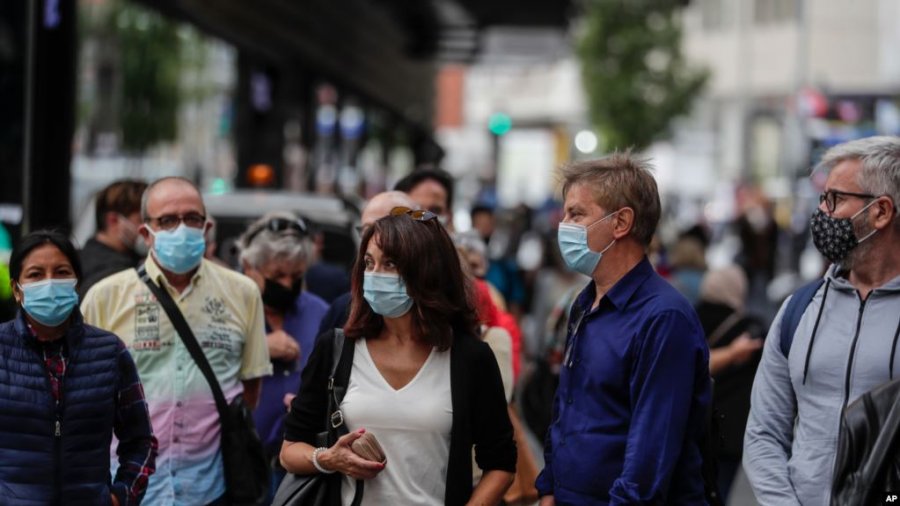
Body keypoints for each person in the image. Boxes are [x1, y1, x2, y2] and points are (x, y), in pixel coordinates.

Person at [280, 207, 516, 505]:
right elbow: (290, 450)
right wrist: (329, 458)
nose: (375, 275)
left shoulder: (470, 358)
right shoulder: (337, 349)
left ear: (427, 271)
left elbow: (501, 463)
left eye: (390, 264)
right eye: (369, 263)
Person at [81, 176, 272, 505]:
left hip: (212, 490)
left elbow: (250, 389)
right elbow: (82, 395)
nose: (181, 228)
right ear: (145, 233)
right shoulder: (105, 297)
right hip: (127, 489)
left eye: (192, 218)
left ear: (206, 227)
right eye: (167, 220)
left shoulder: (242, 293)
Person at [535, 153, 711, 505]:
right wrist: (550, 488)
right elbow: (567, 409)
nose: (563, 224)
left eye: (577, 213)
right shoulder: (585, 303)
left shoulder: (663, 318)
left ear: (621, 223)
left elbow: (652, 448)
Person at [744, 136, 900, 505]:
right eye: (822, 199)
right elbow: (764, 432)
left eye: (836, 199)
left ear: (881, 211)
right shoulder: (798, 310)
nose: (823, 213)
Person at [1, 230, 157, 505]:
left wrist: (120, 496)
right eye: (36, 274)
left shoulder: (109, 351)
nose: (49, 283)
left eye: (61, 272)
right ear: (17, 289)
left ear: (76, 283)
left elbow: (141, 441)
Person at [238, 211, 328, 495]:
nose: (287, 285)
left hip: (298, 468)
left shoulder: (319, 312)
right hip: (241, 465)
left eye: (296, 276)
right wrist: (260, 347)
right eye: (277, 275)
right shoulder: (229, 311)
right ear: (249, 267)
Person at [695, 266, 764, 501]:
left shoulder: (688, 317)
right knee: (718, 492)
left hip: (693, 424)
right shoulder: (750, 328)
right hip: (731, 432)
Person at [317, 190, 419, 334]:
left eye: (388, 229)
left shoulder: (444, 321)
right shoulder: (343, 311)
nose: (375, 240)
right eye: (367, 230)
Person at [79, 179, 148, 297]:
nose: (149, 228)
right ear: (113, 220)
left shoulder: (79, 257)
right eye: (143, 220)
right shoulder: (116, 272)